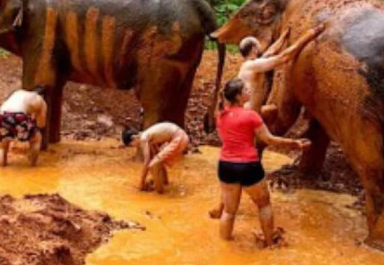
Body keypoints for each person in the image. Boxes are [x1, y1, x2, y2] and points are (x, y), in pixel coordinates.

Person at [214, 78, 311, 248]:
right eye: (245, 89)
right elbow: (269, 139)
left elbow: (225, 139)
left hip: (226, 165)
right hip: (248, 166)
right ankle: (269, 244)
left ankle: (225, 249)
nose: (249, 91)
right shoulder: (251, 115)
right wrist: (295, 144)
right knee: (264, 204)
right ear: (238, 96)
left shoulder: (220, 115)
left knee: (229, 211)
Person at [237, 24, 325, 112]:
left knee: (273, 110)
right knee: (269, 115)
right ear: (254, 49)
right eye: (258, 45)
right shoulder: (252, 65)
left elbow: (271, 51)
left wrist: (283, 37)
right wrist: (310, 34)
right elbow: (284, 57)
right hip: (249, 114)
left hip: (251, 110)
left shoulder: (248, 65)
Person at [121, 122, 190, 194]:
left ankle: (160, 193)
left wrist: (141, 183)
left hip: (179, 138)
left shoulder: (144, 138)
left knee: (153, 165)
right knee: (157, 161)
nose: (134, 147)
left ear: (133, 137)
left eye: (131, 145)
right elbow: (156, 154)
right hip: (181, 137)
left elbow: (146, 162)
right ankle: (165, 183)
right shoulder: (147, 135)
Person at [0, 87, 47, 167]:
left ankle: (1, 167)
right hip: (18, 116)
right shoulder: (40, 100)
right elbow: (41, 124)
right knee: (37, 138)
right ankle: (32, 166)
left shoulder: (19, 93)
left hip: (2, 114)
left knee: (3, 145)